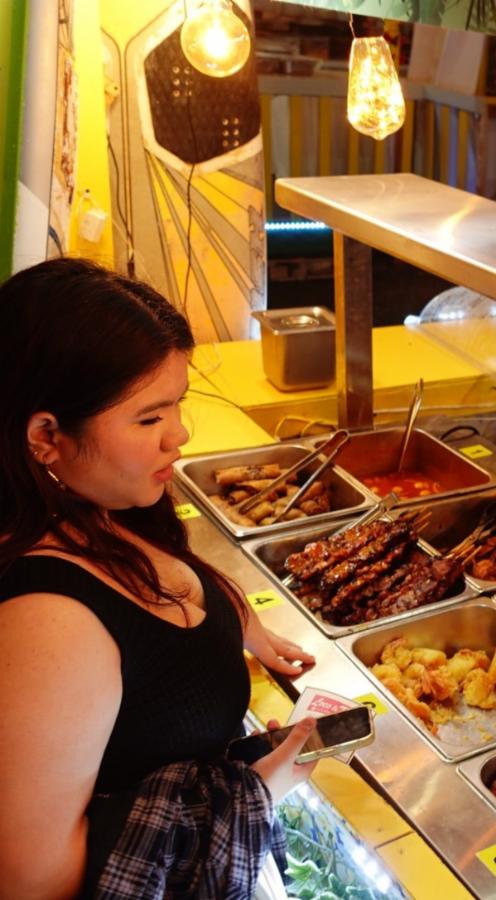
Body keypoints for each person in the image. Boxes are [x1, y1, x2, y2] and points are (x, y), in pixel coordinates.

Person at [0, 259, 318, 898]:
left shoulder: (99, 502)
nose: (180, 435)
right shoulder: (47, 625)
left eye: (178, 405)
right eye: (149, 419)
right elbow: (33, 881)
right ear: (46, 436)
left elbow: (158, 596)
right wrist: (258, 791)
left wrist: (236, 618)